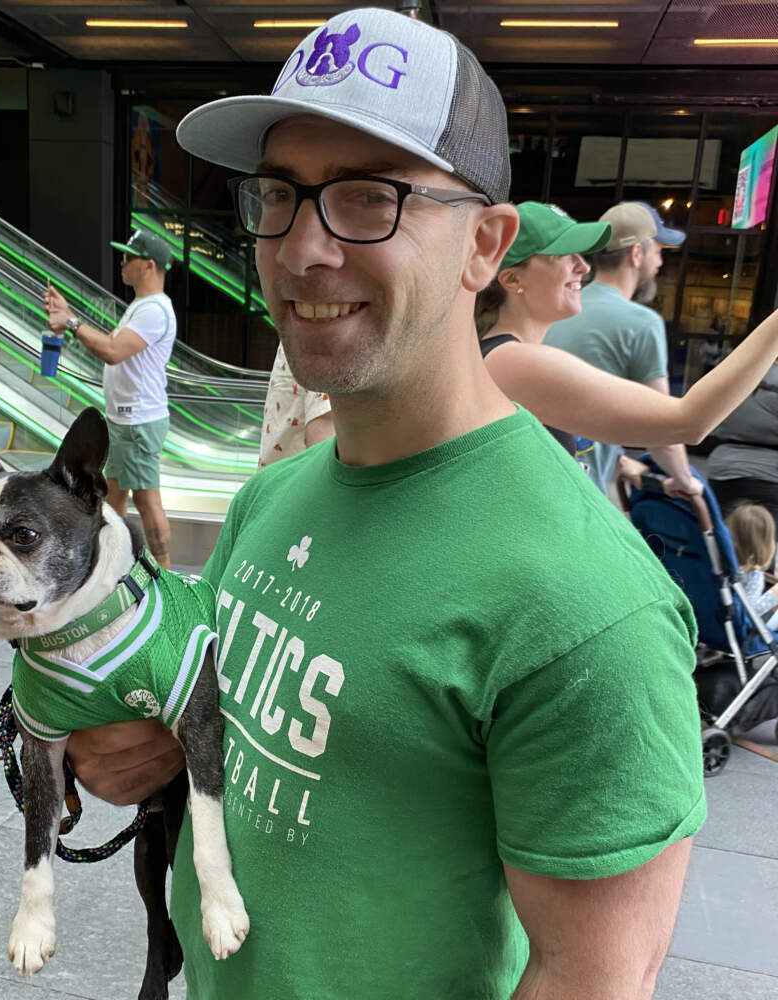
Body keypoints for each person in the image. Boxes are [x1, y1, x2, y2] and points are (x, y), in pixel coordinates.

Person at [66, 10, 706, 998]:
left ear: (483, 246)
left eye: (368, 199)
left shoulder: (584, 610)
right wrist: (164, 741)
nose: (303, 248)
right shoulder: (271, 498)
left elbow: (592, 976)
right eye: (278, 195)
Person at [477, 201, 778, 498]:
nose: (583, 266)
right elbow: (689, 421)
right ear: (512, 279)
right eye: (563, 256)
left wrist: (619, 460)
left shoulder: (508, 355)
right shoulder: (513, 361)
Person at [44, 229, 176, 568]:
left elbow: (113, 351)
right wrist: (66, 315)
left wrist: (70, 321)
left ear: (148, 265)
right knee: (113, 496)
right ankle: (111, 564)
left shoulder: (155, 311)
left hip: (138, 421)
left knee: (147, 502)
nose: (121, 263)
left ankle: (167, 576)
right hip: (125, 420)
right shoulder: (142, 306)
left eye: (127, 257)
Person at [544, 200, 686, 493]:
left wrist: (618, 454)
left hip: (536, 471)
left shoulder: (559, 306)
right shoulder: (642, 322)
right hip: (580, 490)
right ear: (637, 253)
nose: (661, 263)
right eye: (658, 251)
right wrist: (686, 481)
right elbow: (661, 427)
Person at [707, 362, 778, 526]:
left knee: (725, 539)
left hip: (722, 468)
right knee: (762, 544)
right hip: (769, 476)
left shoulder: (734, 371)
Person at [258, 341, 333, 468]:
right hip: (304, 482)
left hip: (281, 479)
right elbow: (323, 454)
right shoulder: (333, 335)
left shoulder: (307, 333)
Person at [726, 503, 778, 624]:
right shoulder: (753, 575)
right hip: (741, 629)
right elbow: (749, 612)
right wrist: (774, 594)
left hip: (714, 620)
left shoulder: (718, 562)